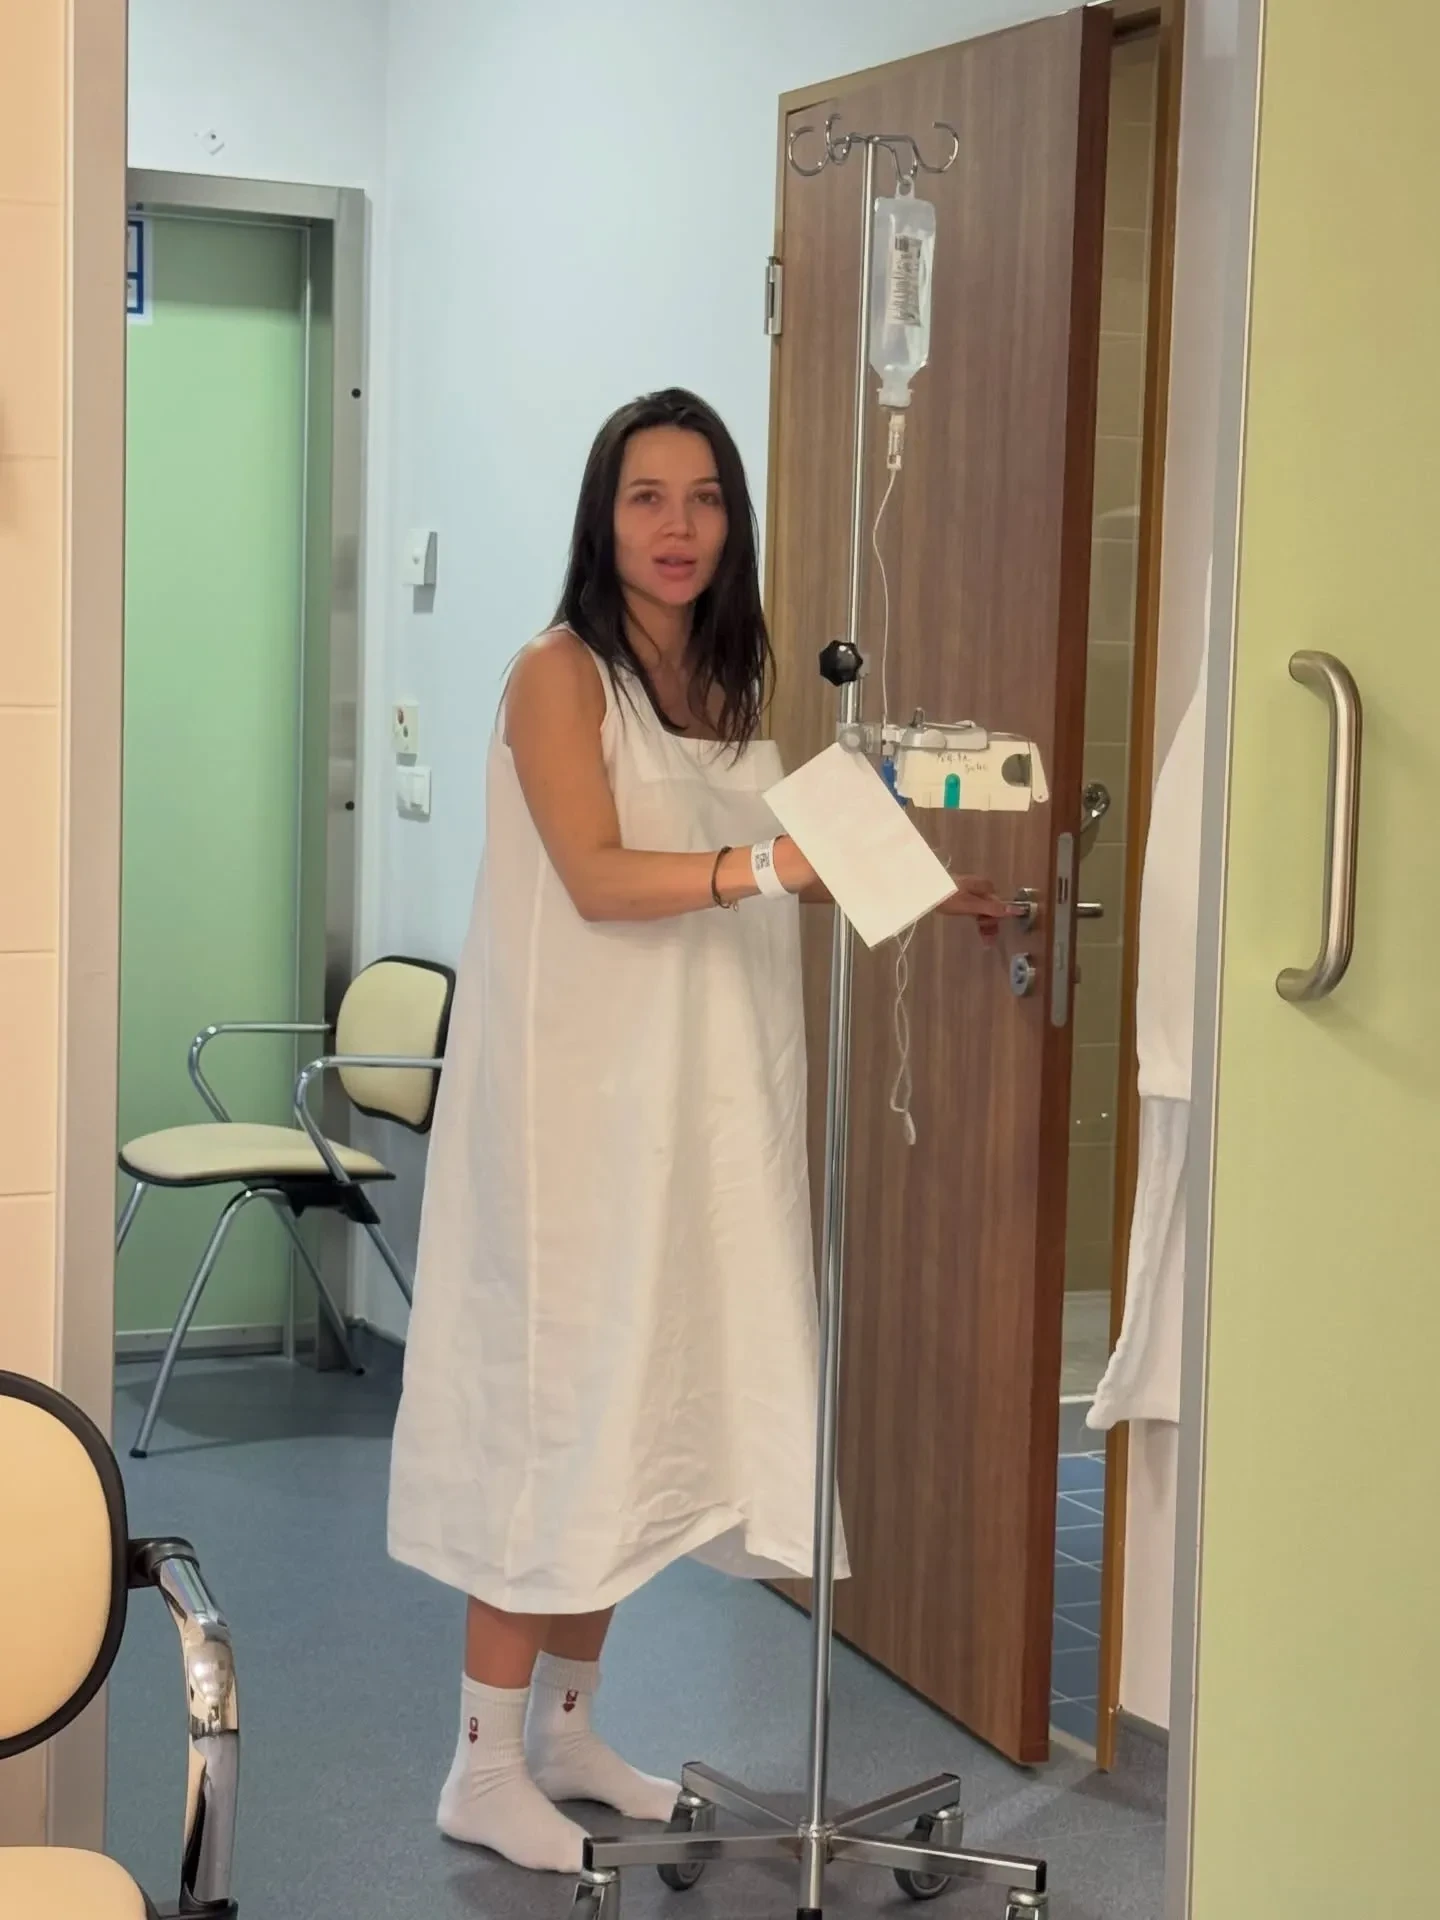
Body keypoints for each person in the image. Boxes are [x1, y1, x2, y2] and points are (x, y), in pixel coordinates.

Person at [386, 388, 1014, 1874]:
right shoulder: (557, 676)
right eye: (647, 498)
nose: (679, 527)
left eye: (706, 498)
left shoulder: (730, 685)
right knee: (554, 1423)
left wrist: (941, 893)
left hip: (696, 1115)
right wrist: (764, 867)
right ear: (602, 521)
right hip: (573, 1120)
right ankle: (481, 1764)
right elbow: (602, 877)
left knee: (638, 1411)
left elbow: (811, 855)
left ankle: (566, 1735)